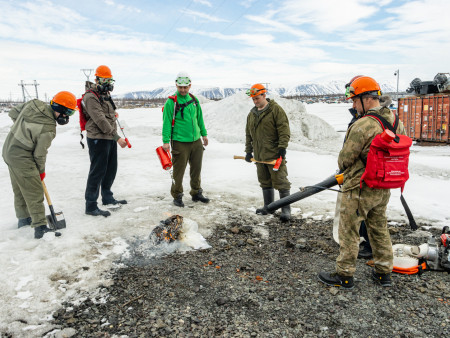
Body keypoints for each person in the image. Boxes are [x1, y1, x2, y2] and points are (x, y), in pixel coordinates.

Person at [318, 76, 406, 289]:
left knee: (349, 230)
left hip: (359, 186)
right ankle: (384, 272)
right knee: (379, 228)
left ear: (366, 99)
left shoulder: (364, 124)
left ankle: (344, 275)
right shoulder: (395, 121)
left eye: (355, 100)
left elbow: (345, 159)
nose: (353, 105)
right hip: (383, 186)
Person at [2, 91, 77, 239]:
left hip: (9, 150)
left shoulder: (34, 103)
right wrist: (40, 172)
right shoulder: (48, 127)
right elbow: (39, 155)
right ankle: (40, 227)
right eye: (68, 112)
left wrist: (21, 131)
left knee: (20, 187)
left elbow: (13, 113)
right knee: (34, 190)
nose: (68, 116)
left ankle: (24, 219)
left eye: (71, 113)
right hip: (23, 156)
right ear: (59, 108)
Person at [83, 65, 128, 217]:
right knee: (97, 171)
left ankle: (107, 197)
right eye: (104, 80)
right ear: (96, 79)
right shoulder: (90, 97)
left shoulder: (105, 94)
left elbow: (107, 114)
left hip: (109, 137)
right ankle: (91, 205)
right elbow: (100, 120)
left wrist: (113, 114)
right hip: (98, 138)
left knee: (111, 168)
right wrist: (117, 137)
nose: (107, 83)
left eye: (109, 80)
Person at [244, 84, 291, 221]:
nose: (255, 101)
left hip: (274, 155)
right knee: (265, 182)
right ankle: (269, 207)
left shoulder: (275, 110)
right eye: (253, 99)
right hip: (259, 157)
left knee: (281, 182)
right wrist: (248, 151)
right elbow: (248, 135)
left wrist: (282, 148)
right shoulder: (251, 114)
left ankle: (286, 210)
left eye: (257, 98)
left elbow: (284, 131)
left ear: (264, 95)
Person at [161, 72, 209, 207]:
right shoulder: (171, 102)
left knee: (196, 169)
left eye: (185, 87)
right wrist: (165, 141)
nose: (183, 90)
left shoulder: (194, 100)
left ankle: (196, 193)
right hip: (179, 141)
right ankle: (177, 195)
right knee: (178, 171)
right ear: (176, 85)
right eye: (180, 87)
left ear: (190, 86)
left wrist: (204, 134)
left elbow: (199, 118)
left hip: (196, 141)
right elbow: (166, 122)